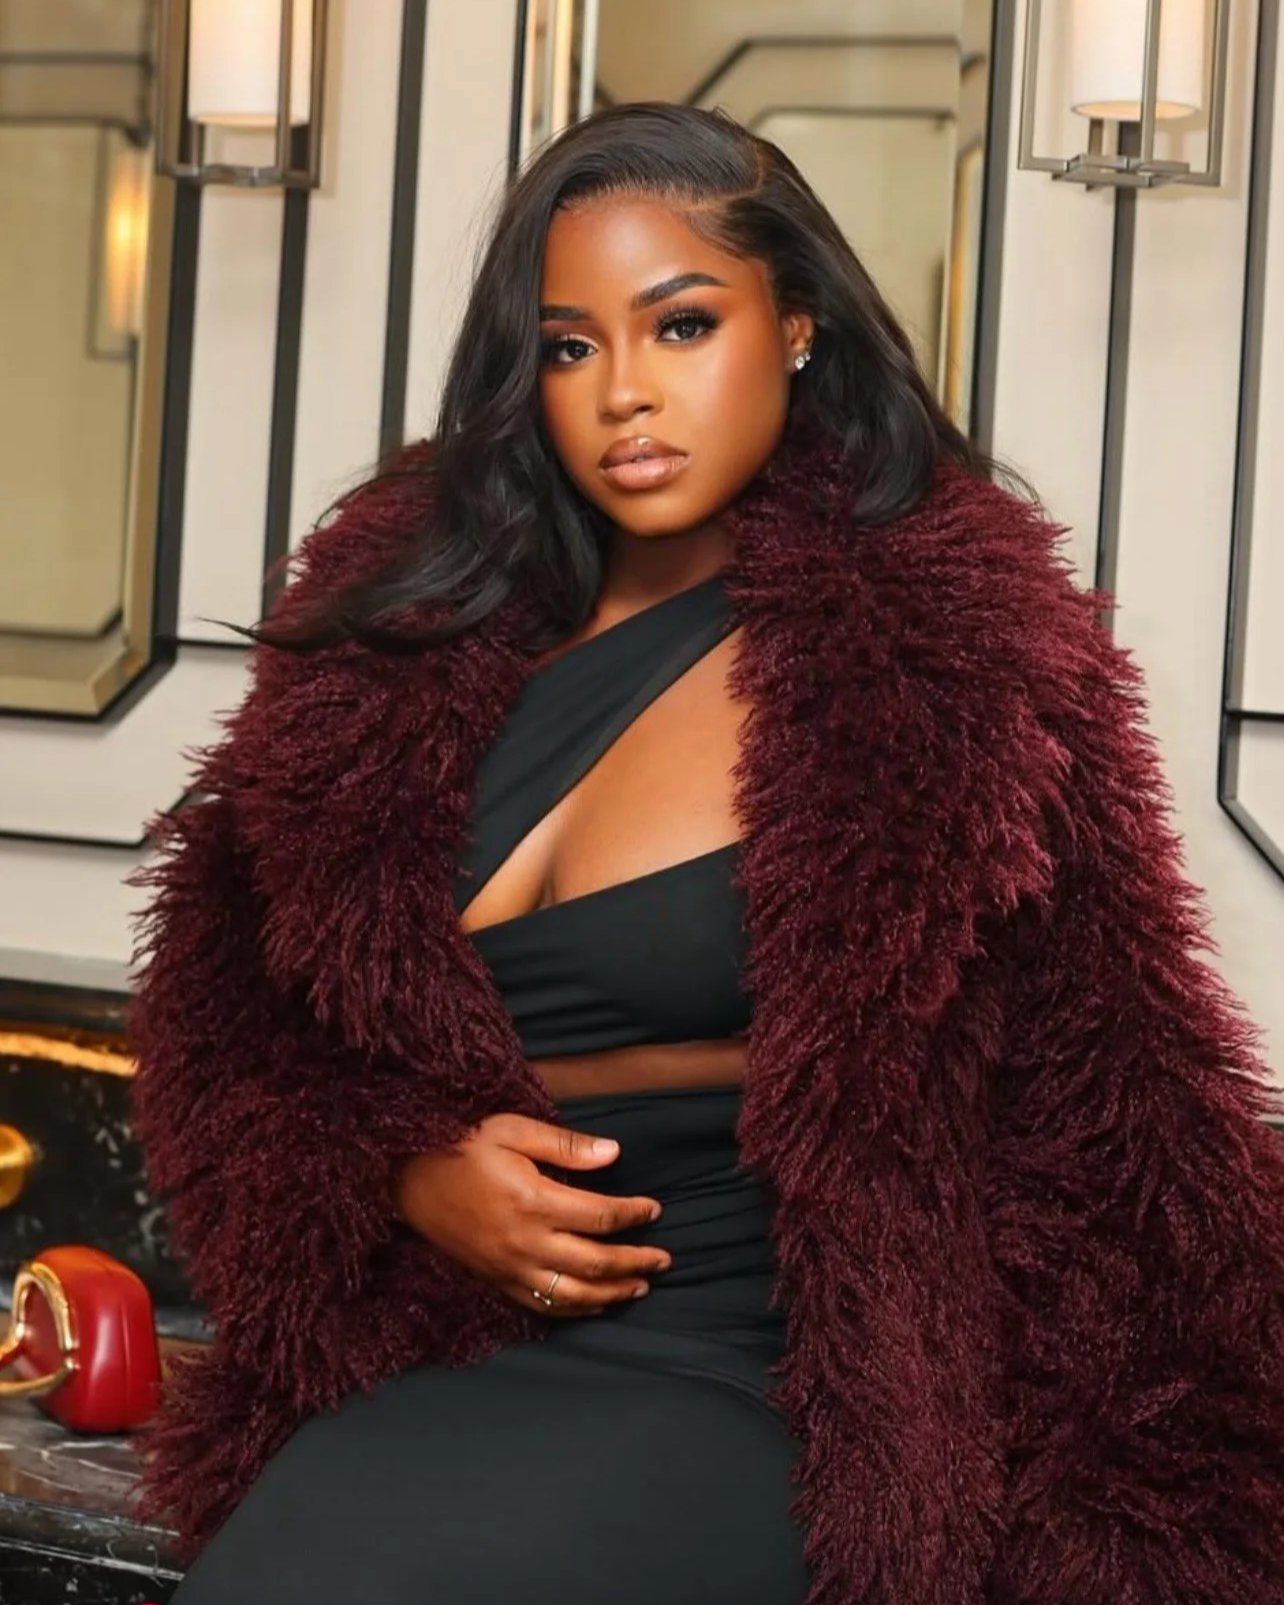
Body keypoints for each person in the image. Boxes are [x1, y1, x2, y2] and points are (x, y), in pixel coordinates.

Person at [127, 103, 1284, 1605]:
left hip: (779, 1379)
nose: (624, 393)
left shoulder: (957, 668)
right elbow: (223, 1022)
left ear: (796, 324)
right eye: (569, 347)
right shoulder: (396, 643)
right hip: (442, 1353)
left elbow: (1125, 1114)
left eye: (681, 325)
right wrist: (399, 1171)